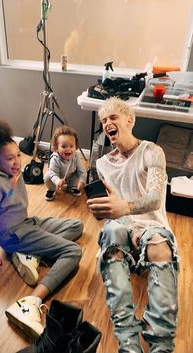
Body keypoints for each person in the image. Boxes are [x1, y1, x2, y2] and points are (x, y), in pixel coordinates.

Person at [0, 119, 83, 337]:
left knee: (76, 226)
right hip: (14, 236)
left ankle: (30, 255)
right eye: (9, 158)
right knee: (73, 251)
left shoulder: (11, 173)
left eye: (18, 155)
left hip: (26, 223)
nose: (16, 162)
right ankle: (32, 300)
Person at [87, 97, 179, 353]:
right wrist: (100, 209)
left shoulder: (152, 151)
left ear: (130, 120)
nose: (107, 124)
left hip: (152, 226)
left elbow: (154, 198)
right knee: (112, 231)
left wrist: (125, 209)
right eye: (103, 120)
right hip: (121, 225)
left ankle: (161, 344)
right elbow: (110, 212)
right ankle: (128, 342)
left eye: (113, 117)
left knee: (160, 246)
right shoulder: (102, 164)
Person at [44, 125, 87, 201]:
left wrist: (82, 181)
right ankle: (51, 189)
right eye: (64, 146)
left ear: (75, 147)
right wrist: (58, 181)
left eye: (71, 146)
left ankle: (71, 187)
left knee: (79, 175)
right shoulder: (55, 159)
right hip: (57, 177)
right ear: (56, 148)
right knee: (47, 177)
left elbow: (82, 171)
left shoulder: (76, 157)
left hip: (71, 177)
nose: (68, 149)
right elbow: (53, 174)